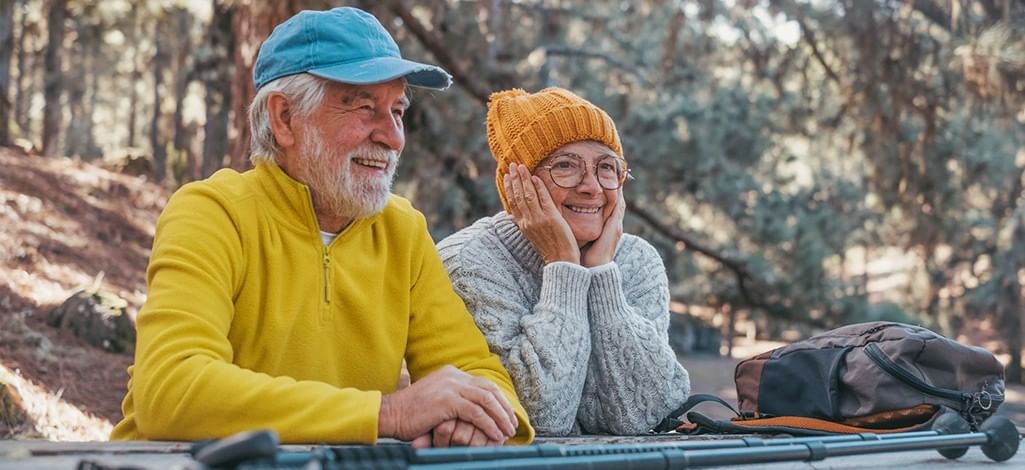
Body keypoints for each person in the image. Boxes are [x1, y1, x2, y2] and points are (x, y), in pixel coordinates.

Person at [111, 7, 533, 447]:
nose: (393, 137)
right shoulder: (212, 213)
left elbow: (481, 375)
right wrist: (387, 413)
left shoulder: (401, 230)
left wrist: (473, 418)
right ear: (285, 119)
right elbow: (171, 389)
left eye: (398, 111)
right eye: (364, 107)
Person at [437, 88, 690, 436]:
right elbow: (540, 419)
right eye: (566, 166)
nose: (591, 187)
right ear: (518, 184)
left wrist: (601, 272)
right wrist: (563, 266)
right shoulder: (468, 262)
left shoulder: (636, 261)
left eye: (606, 168)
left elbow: (646, 416)